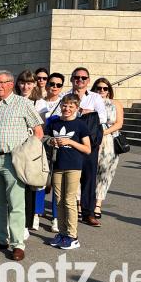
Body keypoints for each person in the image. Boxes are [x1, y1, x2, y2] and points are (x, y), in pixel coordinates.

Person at [0, 70, 43, 262]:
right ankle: (1, 239)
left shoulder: (23, 104)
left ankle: (18, 244)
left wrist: (26, 154)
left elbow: (38, 132)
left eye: (3, 83)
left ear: (12, 84)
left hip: (14, 160)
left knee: (16, 204)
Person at [46, 94, 91, 250]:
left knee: (69, 200)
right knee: (58, 200)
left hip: (74, 166)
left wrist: (70, 141)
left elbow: (87, 148)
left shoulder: (80, 125)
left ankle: (73, 236)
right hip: (57, 165)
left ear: (76, 108)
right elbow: (45, 139)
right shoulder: (54, 123)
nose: (67, 109)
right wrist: (51, 141)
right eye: (65, 105)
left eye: (71, 106)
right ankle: (63, 233)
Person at [64, 67, 106, 227]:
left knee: (89, 177)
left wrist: (87, 112)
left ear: (88, 81)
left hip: (89, 142)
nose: (80, 80)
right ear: (72, 79)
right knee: (67, 177)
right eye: (76, 77)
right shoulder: (65, 95)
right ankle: (67, 210)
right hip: (69, 141)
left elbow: (103, 117)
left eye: (83, 78)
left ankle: (88, 212)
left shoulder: (95, 97)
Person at [35, 72, 66, 233]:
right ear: (46, 85)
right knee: (40, 180)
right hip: (43, 144)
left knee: (57, 183)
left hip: (61, 146)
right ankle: (36, 213)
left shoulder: (65, 102)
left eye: (58, 85)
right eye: (52, 83)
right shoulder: (39, 103)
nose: (54, 87)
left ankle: (55, 217)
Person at [93, 77, 124, 220]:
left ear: (109, 90)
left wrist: (103, 133)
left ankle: (98, 204)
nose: (102, 91)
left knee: (105, 174)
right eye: (99, 88)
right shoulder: (90, 101)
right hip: (92, 140)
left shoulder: (115, 103)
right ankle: (82, 202)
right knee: (88, 171)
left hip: (109, 141)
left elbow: (119, 123)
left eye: (105, 88)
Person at [16, 70, 42, 234]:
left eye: (29, 83)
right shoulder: (13, 100)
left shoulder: (39, 103)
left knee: (29, 187)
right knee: (15, 187)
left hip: (31, 148)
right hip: (15, 148)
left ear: (34, 84)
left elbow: (40, 129)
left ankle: (26, 223)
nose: (26, 86)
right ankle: (14, 220)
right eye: (23, 83)